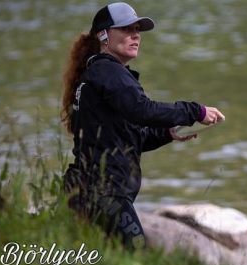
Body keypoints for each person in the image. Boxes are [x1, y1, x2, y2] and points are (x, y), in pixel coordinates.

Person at [60, 2, 224, 250]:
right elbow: (143, 110)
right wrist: (194, 111)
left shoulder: (97, 73)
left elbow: (126, 139)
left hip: (85, 190)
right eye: (126, 29)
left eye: (137, 29)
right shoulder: (108, 72)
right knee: (136, 252)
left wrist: (167, 133)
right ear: (103, 35)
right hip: (104, 192)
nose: (135, 35)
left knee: (105, 260)